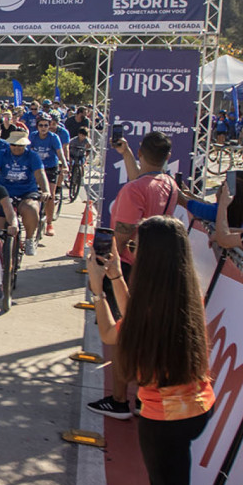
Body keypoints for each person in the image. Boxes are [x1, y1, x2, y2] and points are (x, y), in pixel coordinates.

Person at [87, 216, 215, 485]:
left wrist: (97, 290)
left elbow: (112, 334)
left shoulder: (154, 306)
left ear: (153, 256)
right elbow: (135, 315)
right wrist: (116, 280)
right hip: (192, 406)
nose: (130, 251)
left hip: (167, 416)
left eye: (137, 247)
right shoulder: (180, 290)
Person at [87, 131, 179, 420]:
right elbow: (142, 179)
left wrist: (105, 263)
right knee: (144, 335)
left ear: (142, 151)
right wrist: (126, 153)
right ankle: (142, 398)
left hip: (126, 268)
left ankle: (118, 399)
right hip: (153, 265)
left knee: (120, 335)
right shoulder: (167, 184)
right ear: (167, 156)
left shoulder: (134, 191)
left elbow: (124, 231)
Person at [0, 133, 49, 255]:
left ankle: (29, 239)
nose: (17, 148)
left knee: (31, 209)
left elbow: (40, 174)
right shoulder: (2, 154)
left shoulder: (32, 156)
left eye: (20, 145)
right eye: (14, 145)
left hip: (27, 192)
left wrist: (45, 190)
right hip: (5, 192)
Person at [29, 114, 67, 237]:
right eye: (41, 125)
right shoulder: (33, 136)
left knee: (50, 195)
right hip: (36, 168)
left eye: (46, 125)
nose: (44, 128)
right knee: (30, 193)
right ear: (37, 126)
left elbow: (60, 153)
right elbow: (27, 151)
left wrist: (65, 165)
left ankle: (50, 223)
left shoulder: (54, 137)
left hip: (51, 168)